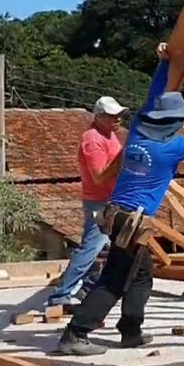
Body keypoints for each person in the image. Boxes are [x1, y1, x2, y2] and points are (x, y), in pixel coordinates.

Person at [56, 42, 184, 356]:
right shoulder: (171, 149)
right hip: (133, 222)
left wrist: (164, 64)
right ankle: (77, 332)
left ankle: (130, 329)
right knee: (114, 278)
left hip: (117, 214)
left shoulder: (137, 131)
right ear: (174, 124)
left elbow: (154, 96)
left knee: (141, 271)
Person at [46, 95, 127, 308]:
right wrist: (122, 160)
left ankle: (86, 287)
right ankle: (60, 295)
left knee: (112, 248)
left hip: (109, 200)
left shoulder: (109, 135)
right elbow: (99, 175)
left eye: (119, 116)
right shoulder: (93, 140)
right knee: (91, 247)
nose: (117, 120)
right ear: (99, 117)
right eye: (112, 116)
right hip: (99, 202)